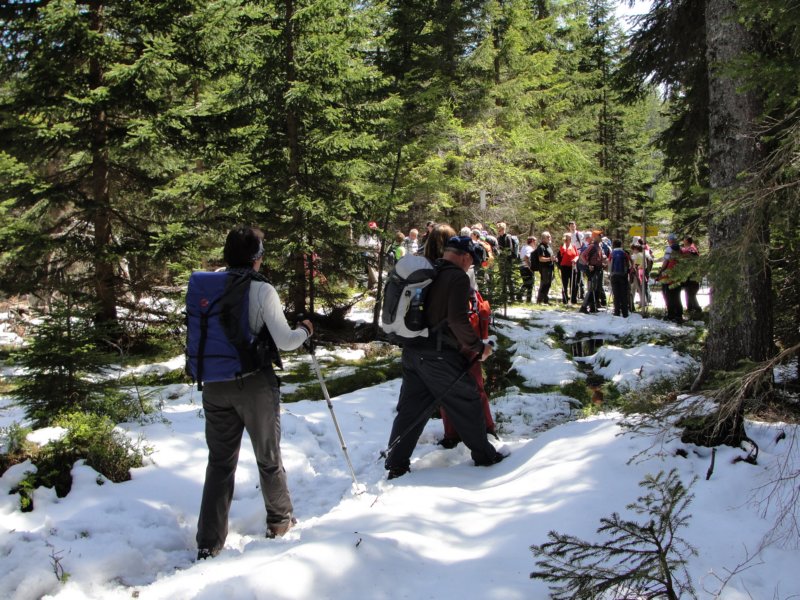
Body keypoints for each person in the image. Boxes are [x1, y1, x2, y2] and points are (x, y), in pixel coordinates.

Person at [196, 226, 314, 559]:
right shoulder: (261, 290)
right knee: (268, 456)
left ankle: (208, 541)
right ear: (256, 257)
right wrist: (305, 330)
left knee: (219, 463)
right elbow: (285, 342)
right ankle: (279, 521)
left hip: (214, 383)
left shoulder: (209, 284)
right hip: (253, 384)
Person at [384, 236, 506, 479]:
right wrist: (478, 347)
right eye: (471, 261)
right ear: (465, 256)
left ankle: (396, 463)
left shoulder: (432, 271)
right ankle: (485, 456)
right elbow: (457, 320)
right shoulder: (457, 278)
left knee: (411, 410)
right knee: (468, 400)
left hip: (413, 352)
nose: (470, 265)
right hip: (439, 356)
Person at [657, 233, 683, 323]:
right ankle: (679, 314)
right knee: (677, 295)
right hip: (678, 274)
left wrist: (661, 270)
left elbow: (666, 261)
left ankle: (671, 314)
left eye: (668, 240)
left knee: (668, 295)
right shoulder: (680, 249)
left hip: (669, 274)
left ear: (670, 240)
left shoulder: (669, 249)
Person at [578, 230, 606, 314]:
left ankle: (593, 307)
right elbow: (582, 255)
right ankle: (583, 307)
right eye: (600, 235)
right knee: (591, 289)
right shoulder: (592, 246)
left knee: (597, 289)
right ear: (595, 237)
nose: (601, 237)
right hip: (593, 270)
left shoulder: (599, 246)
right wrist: (588, 264)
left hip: (599, 269)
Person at [608, 239, 632, 317]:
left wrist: (610, 274)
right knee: (624, 294)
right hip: (623, 276)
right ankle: (625, 312)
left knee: (616, 294)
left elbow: (609, 265)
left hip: (614, 275)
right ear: (621, 245)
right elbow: (629, 264)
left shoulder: (612, 254)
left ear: (613, 245)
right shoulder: (624, 253)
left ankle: (617, 311)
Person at [681, 236, 702, 318]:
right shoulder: (688, 248)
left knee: (691, 292)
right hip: (688, 274)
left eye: (684, 240)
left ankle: (696, 308)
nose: (683, 241)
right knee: (688, 291)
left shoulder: (692, 249)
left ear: (687, 241)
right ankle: (690, 308)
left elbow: (693, 258)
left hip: (692, 274)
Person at [534, 231, 557, 304]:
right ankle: (539, 300)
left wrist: (554, 259)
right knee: (544, 283)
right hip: (544, 268)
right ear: (543, 238)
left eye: (550, 236)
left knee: (548, 283)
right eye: (548, 237)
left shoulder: (548, 246)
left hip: (550, 267)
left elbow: (551, 256)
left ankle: (545, 300)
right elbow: (541, 259)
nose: (550, 238)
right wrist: (550, 259)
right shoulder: (541, 247)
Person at [556, 233, 579, 304]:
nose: (570, 240)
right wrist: (559, 266)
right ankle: (565, 299)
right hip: (564, 267)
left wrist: (575, 259)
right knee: (565, 284)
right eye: (569, 238)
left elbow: (577, 255)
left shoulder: (573, 246)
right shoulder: (562, 247)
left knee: (573, 283)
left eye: (571, 238)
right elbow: (559, 257)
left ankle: (573, 299)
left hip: (573, 267)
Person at [357, 221, 381, 289]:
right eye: (372, 228)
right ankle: (376, 282)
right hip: (367, 255)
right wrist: (368, 249)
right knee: (371, 268)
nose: (373, 229)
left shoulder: (375, 236)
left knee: (372, 271)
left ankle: (370, 288)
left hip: (375, 255)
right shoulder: (363, 236)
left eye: (374, 228)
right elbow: (360, 247)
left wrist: (378, 248)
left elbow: (379, 245)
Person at [518, 235, 537, 303]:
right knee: (530, 283)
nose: (535, 243)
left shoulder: (524, 247)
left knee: (526, 283)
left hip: (521, 266)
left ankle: (523, 297)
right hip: (526, 267)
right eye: (535, 241)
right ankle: (527, 299)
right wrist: (530, 267)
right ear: (532, 241)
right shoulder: (530, 249)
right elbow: (526, 258)